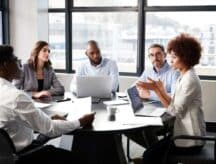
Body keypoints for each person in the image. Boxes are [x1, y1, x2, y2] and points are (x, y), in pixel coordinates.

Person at [0, 45, 95, 163]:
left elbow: (14, 120)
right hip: (21, 156)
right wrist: (81, 121)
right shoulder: (15, 96)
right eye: (15, 59)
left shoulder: (48, 69)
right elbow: (50, 128)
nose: (19, 62)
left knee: (46, 134)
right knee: (80, 159)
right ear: (5, 65)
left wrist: (46, 118)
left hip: (8, 153)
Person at [138, 33, 206, 164]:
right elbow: (174, 102)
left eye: (174, 57)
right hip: (182, 134)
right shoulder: (184, 76)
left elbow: (174, 111)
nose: (171, 60)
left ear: (186, 58)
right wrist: (161, 90)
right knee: (153, 151)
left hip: (190, 140)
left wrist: (157, 91)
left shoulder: (189, 80)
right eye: (171, 56)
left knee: (149, 155)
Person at [125, 44, 180, 149]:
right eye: (152, 55)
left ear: (164, 55)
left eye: (158, 54)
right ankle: (155, 154)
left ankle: (154, 155)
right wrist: (133, 92)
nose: (155, 58)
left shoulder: (174, 73)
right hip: (151, 109)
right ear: (149, 57)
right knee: (127, 128)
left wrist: (150, 94)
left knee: (147, 129)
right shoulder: (148, 71)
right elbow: (134, 87)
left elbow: (174, 98)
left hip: (168, 113)